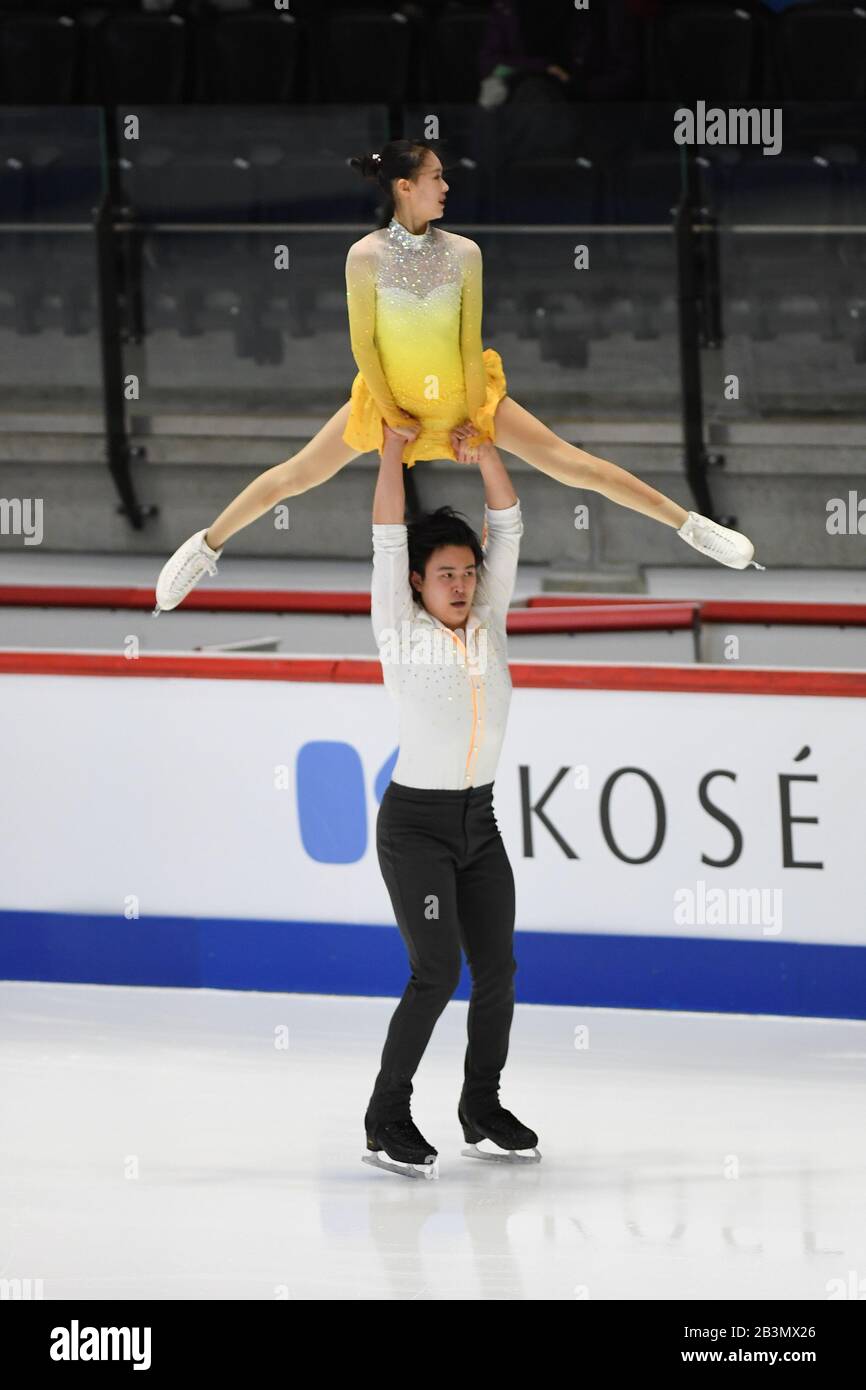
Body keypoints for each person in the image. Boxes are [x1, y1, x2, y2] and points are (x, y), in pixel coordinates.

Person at [153, 137, 761, 615]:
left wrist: (475, 415)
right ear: (404, 186)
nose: (446, 185)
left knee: (575, 464)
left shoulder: (465, 252)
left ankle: (691, 525)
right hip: (390, 401)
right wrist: (391, 414)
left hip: (467, 399)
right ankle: (205, 547)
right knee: (294, 477)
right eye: (436, 176)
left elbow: (469, 344)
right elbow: (363, 343)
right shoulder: (363, 256)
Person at [361, 419, 539, 1179]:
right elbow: (386, 536)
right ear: (418, 584)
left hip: (480, 823)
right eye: (446, 575)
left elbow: (510, 522)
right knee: (435, 971)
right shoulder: (399, 630)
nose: (462, 585)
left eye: (469, 572)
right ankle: (386, 1115)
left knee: (497, 970)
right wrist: (394, 451)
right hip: (417, 829)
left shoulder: (489, 620)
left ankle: (480, 1105)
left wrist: (489, 452)